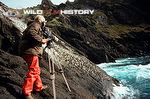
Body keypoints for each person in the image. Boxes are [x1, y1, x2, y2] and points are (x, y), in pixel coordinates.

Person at [21, 15, 49, 99]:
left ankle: (38, 86)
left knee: (36, 70)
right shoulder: (36, 24)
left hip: (29, 51)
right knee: (34, 70)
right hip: (31, 51)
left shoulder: (34, 25)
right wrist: (42, 40)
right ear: (41, 21)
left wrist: (44, 39)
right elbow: (31, 33)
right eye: (44, 22)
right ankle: (26, 93)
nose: (44, 24)